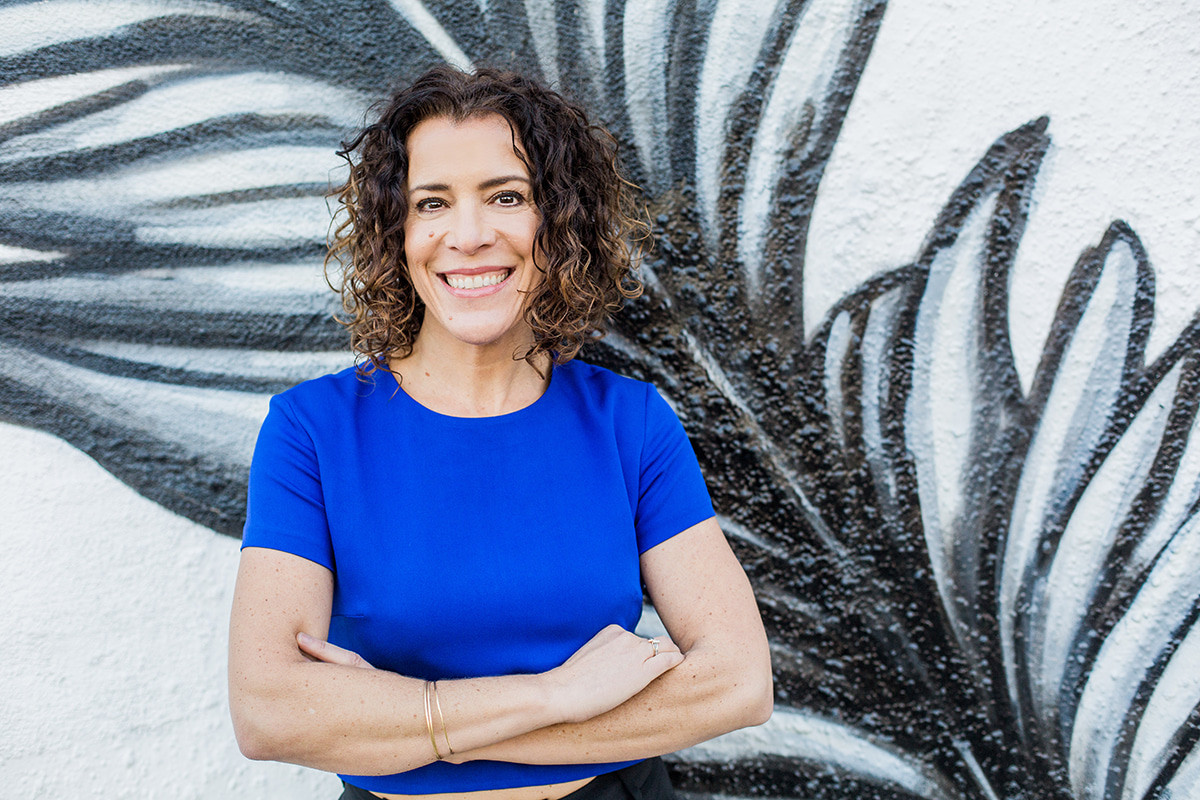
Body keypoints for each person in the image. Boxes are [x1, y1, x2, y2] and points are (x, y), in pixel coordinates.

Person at [228, 64, 773, 800]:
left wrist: (425, 729)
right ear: (399, 231)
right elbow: (269, 712)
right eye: (432, 204)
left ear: (560, 221)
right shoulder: (312, 432)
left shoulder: (630, 423)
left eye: (507, 197)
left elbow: (737, 683)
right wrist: (556, 696)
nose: (470, 235)